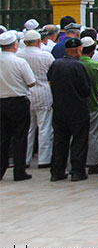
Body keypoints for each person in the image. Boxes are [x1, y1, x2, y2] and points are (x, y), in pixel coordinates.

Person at [47, 36, 91, 182]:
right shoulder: (78, 66)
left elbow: (50, 80)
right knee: (79, 140)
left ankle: (57, 171)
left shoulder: (56, 64)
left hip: (59, 109)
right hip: (77, 109)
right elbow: (85, 89)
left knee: (60, 140)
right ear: (79, 50)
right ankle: (77, 171)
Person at [0, 30, 36, 181]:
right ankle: (19, 170)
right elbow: (31, 82)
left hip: (1, 102)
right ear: (15, 45)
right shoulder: (19, 62)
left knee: (2, 138)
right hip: (18, 101)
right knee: (20, 137)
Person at [17, 29, 55, 170]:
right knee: (44, 127)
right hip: (43, 92)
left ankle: (25, 159)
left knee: (28, 128)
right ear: (39, 41)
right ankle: (44, 159)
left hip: (25, 92)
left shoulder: (19, 55)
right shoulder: (46, 56)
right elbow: (53, 72)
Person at [78, 36, 98, 175]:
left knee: (76, 135)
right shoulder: (96, 66)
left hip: (77, 106)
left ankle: (75, 163)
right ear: (93, 52)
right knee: (93, 134)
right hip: (94, 103)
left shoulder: (75, 64)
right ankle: (93, 163)